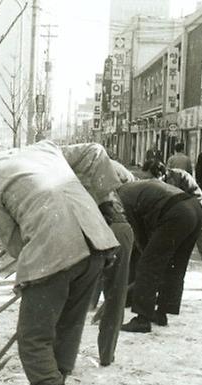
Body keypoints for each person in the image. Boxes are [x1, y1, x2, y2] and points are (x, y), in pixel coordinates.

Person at [0, 139, 119, 385]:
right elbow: (94, 151)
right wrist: (102, 200)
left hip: (55, 251)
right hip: (96, 241)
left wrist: (30, 276)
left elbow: (14, 242)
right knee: (69, 325)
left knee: (33, 339)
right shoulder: (43, 148)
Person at [60, 144, 134, 368]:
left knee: (75, 295)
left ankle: (64, 358)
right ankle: (106, 355)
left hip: (98, 228)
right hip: (119, 227)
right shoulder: (116, 172)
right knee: (115, 296)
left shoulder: (67, 174)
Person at [117, 179, 202, 333]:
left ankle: (142, 319)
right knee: (176, 264)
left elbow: (138, 231)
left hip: (178, 212)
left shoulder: (120, 200)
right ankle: (162, 312)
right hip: (196, 209)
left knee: (147, 265)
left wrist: (147, 255)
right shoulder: (132, 188)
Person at [150, 161, 202, 293]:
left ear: (162, 173)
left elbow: (194, 197)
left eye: (154, 178)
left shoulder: (181, 176)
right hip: (179, 215)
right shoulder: (160, 182)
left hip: (198, 210)